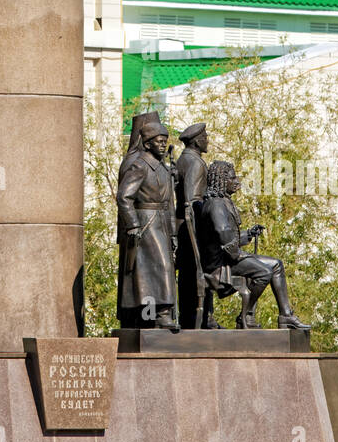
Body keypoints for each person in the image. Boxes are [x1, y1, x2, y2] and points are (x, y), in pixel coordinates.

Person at [198, 160, 310, 331]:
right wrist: (240, 255)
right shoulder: (215, 204)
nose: (237, 182)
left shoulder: (223, 202)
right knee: (264, 272)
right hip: (220, 265)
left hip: (229, 258)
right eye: (232, 178)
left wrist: (248, 235)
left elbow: (230, 236)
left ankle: (286, 316)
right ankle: (245, 316)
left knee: (276, 265)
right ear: (221, 181)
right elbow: (223, 233)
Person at [116, 112, 177, 329]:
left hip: (161, 222)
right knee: (157, 267)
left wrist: (173, 233)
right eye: (159, 142)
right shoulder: (140, 165)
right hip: (145, 222)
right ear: (148, 144)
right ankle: (160, 313)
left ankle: (160, 314)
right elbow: (124, 197)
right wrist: (132, 224)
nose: (163, 145)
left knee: (165, 267)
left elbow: (170, 203)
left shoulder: (163, 168)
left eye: (165, 142)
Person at [174, 122, 214, 330]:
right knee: (199, 272)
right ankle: (203, 320)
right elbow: (192, 200)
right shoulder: (196, 163)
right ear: (197, 140)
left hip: (182, 223)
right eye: (205, 136)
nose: (207, 140)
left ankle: (190, 318)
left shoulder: (183, 159)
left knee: (188, 276)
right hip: (192, 226)